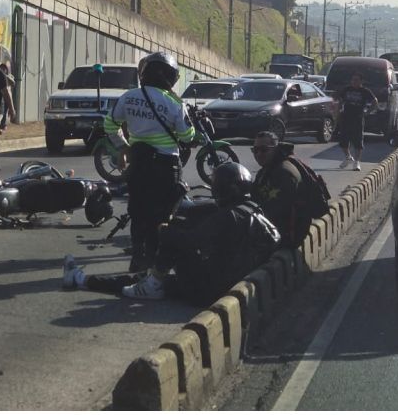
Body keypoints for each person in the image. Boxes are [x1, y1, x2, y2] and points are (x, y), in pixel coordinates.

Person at [61, 162, 280, 303]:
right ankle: (81, 279)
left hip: (212, 289)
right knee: (148, 279)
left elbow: (192, 241)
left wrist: (167, 231)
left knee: (172, 236)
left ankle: (146, 284)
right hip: (236, 281)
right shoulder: (253, 210)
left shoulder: (229, 217)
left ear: (224, 188)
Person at [103, 51, 195, 273]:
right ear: (170, 76)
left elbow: (109, 125)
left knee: (138, 211)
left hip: (138, 164)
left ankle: (137, 257)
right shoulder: (174, 102)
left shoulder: (129, 96)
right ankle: (154, 262)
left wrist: (124, 147)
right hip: (166, 166)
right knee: (163, 215)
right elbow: (187, 137)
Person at [336, 72, 378, 171]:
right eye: (353, 80)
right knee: (343, 141)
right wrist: (338, 112)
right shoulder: (347, 89)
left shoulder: (365, 91)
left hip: (358, 118)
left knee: (358, 141)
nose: (354, 82)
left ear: (361, 81)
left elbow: (375, 101)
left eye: (356, 80)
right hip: (346, 117)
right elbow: (340, 100)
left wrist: (367, 112)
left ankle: (357, 162)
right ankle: (348, 157)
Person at [0, 62, 15, 133]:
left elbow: (13, 83)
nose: (2, 70)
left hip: (7, 97)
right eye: (1, 68)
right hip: (0, 97)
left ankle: (3, 126)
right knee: (1, 112)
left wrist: (4, 76)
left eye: (4, 68)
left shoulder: (9, 76)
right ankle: (1, 126)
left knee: (4, 112)